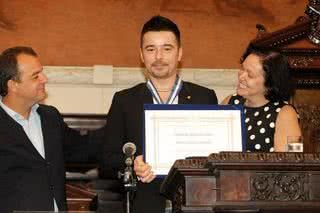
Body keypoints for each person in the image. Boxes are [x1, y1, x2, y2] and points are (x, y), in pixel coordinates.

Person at [99, 15, 218, 213]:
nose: (159, 57)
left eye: (167, 48)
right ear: (141, 55)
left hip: (194, 203)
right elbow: (107, 160)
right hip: (145, 203)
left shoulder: (203, 97)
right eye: (151, 49)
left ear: (179, 53)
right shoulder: (125, 101)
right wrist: (131, 164)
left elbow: (215, 156)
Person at [0, 46, 88, 213]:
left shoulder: (50, 117)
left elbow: (83, 149)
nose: (44, 79)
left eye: (42, 72)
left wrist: (124, 124)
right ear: (13, 85)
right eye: (35, 76)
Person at [221, 45, 301, 152]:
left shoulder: (286, 113)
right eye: (242, 69)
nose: (241, 76)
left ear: (270, 84)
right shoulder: (230, 102)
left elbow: (291, 161)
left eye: (250, 74)